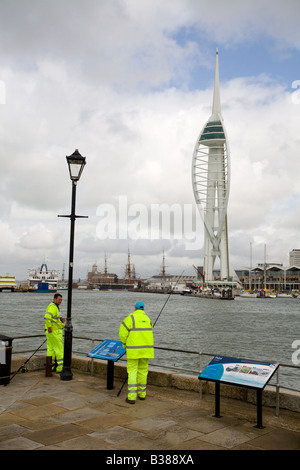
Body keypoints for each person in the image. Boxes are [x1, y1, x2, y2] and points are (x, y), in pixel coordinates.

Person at [119, 301, 154, 404]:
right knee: (143, 372)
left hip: (133, 351)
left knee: (132, 372)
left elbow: (122, 334)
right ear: (143, 309)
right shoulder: (148, 319)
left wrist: (125, 344)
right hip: (146, 351)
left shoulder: (130, 318)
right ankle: (142, 394)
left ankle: (131, 397)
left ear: (135, 308)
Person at [44, 293, 66, 372]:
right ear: (55, 299)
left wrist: (61, 319)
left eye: (61, 300)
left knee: (51, 349)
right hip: (55, 331)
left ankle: (51, 366)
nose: (60, 301)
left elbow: (53, 318)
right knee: (59, 349)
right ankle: (60, 368)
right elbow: (46, 317)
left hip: (51, 332)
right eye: (59, 300)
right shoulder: (53, 307)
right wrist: (49, 327)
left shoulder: (54, 307)